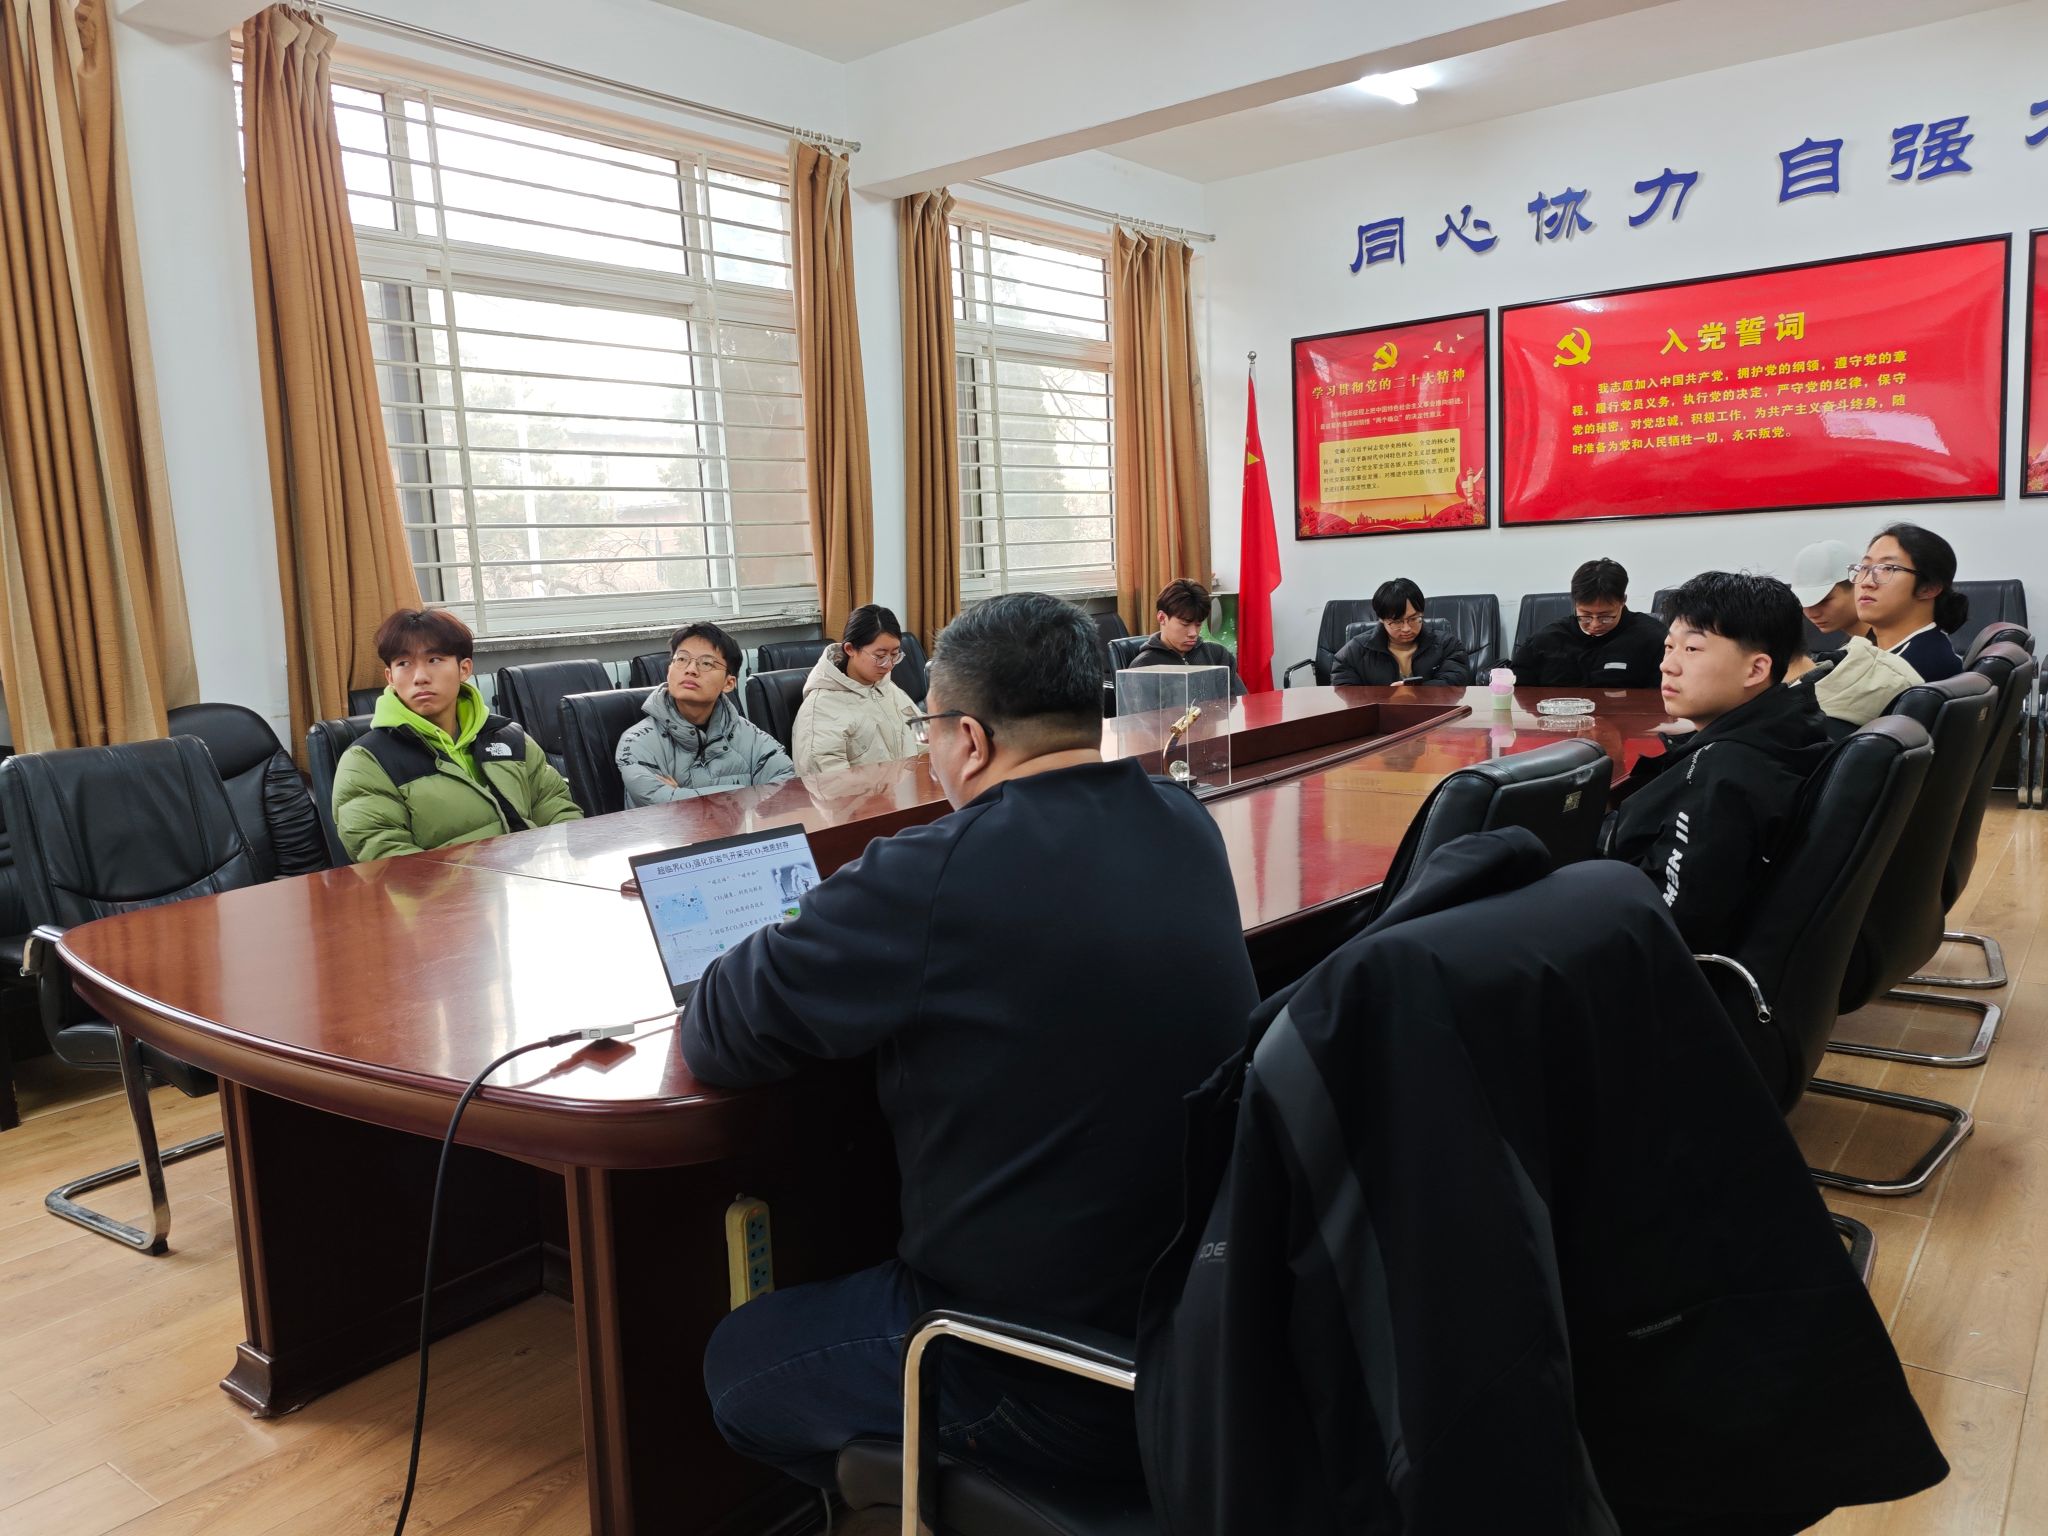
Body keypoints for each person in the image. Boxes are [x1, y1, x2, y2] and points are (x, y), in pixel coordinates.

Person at [687, 592, 1257, 1491]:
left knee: (740, 1363)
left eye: (929, 729)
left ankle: (994, 1484)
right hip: (1204, 1328)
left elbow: (719, 1028)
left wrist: (805, 918)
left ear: (970, 740)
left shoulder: (933, 870)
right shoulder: (1184, 820)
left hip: (1038, 1370)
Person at [1601, 572, 1830, 951]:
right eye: (1669, 647)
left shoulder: (1726, 774)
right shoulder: (1792, 726)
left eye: (1692, 649)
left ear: (1756, 669)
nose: (1668, 665)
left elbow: (1671, 924)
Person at [331, 608, 583, 862]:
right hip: (446, 888)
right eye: (403, 664)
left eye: (434, 660)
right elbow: (389, 858)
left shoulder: (509, 737)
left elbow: (558, 810)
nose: (419, 677)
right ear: (390, 678)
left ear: (464, 669)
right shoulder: (367, 761)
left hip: (533, 880)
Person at [617, 621, 795, 805]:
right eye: (682, 659)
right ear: (669, 670)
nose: (691, 670)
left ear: (728, 683)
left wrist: (681, 795)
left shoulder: (750, 736)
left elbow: (787, 787)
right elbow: (659, 804)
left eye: (706, 663)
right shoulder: (638, 741)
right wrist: (746, 795)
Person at [790, 604, 925, 777]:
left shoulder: (888, 688)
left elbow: (924, 740)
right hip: (865, 794)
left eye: (894, 655)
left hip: (912, 791)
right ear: (850, 649)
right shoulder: (820, 708)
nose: (889, 665)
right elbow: (828, 783)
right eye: (880, 656)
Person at [1509, 558, 1666, 688]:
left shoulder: (1653, 639)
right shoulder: (1546, 641)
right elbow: (1519, 690)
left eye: (1605, 617)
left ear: (1623, 601)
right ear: (1575, 603)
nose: (1595, 624)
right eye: (1586, 616)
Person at [1854, 523, 1965, 681]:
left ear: (1929, 588)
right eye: (1864, 567)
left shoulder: (1907, 672)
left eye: (1888, 568)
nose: (1866, 582)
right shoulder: (1886, 656)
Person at [1330, 577, 1474, 687]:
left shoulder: (1447, 645)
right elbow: (1345, 689)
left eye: (1414, 619)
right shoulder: (1356, 650)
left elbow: (1457, 681)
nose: (1406, 628)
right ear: (1381, 619)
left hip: (1435, 713)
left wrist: (1417, 691)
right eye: (1397, 622)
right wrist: (1384, 697)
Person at [1126, 577, 1247, 695]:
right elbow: (1138, 709)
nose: (1193, 633)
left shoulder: (1217, 655)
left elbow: (1239, 701)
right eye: (1185, 624)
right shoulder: (1144, 666)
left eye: (1198, 624)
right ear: (1162, 618)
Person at [1784, 538, 1861, 641]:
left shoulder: (1878, 647)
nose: (1812, 614)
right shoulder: (1854, 646)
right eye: (1803, 603)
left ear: (1858, 585)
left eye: (1824, 601)